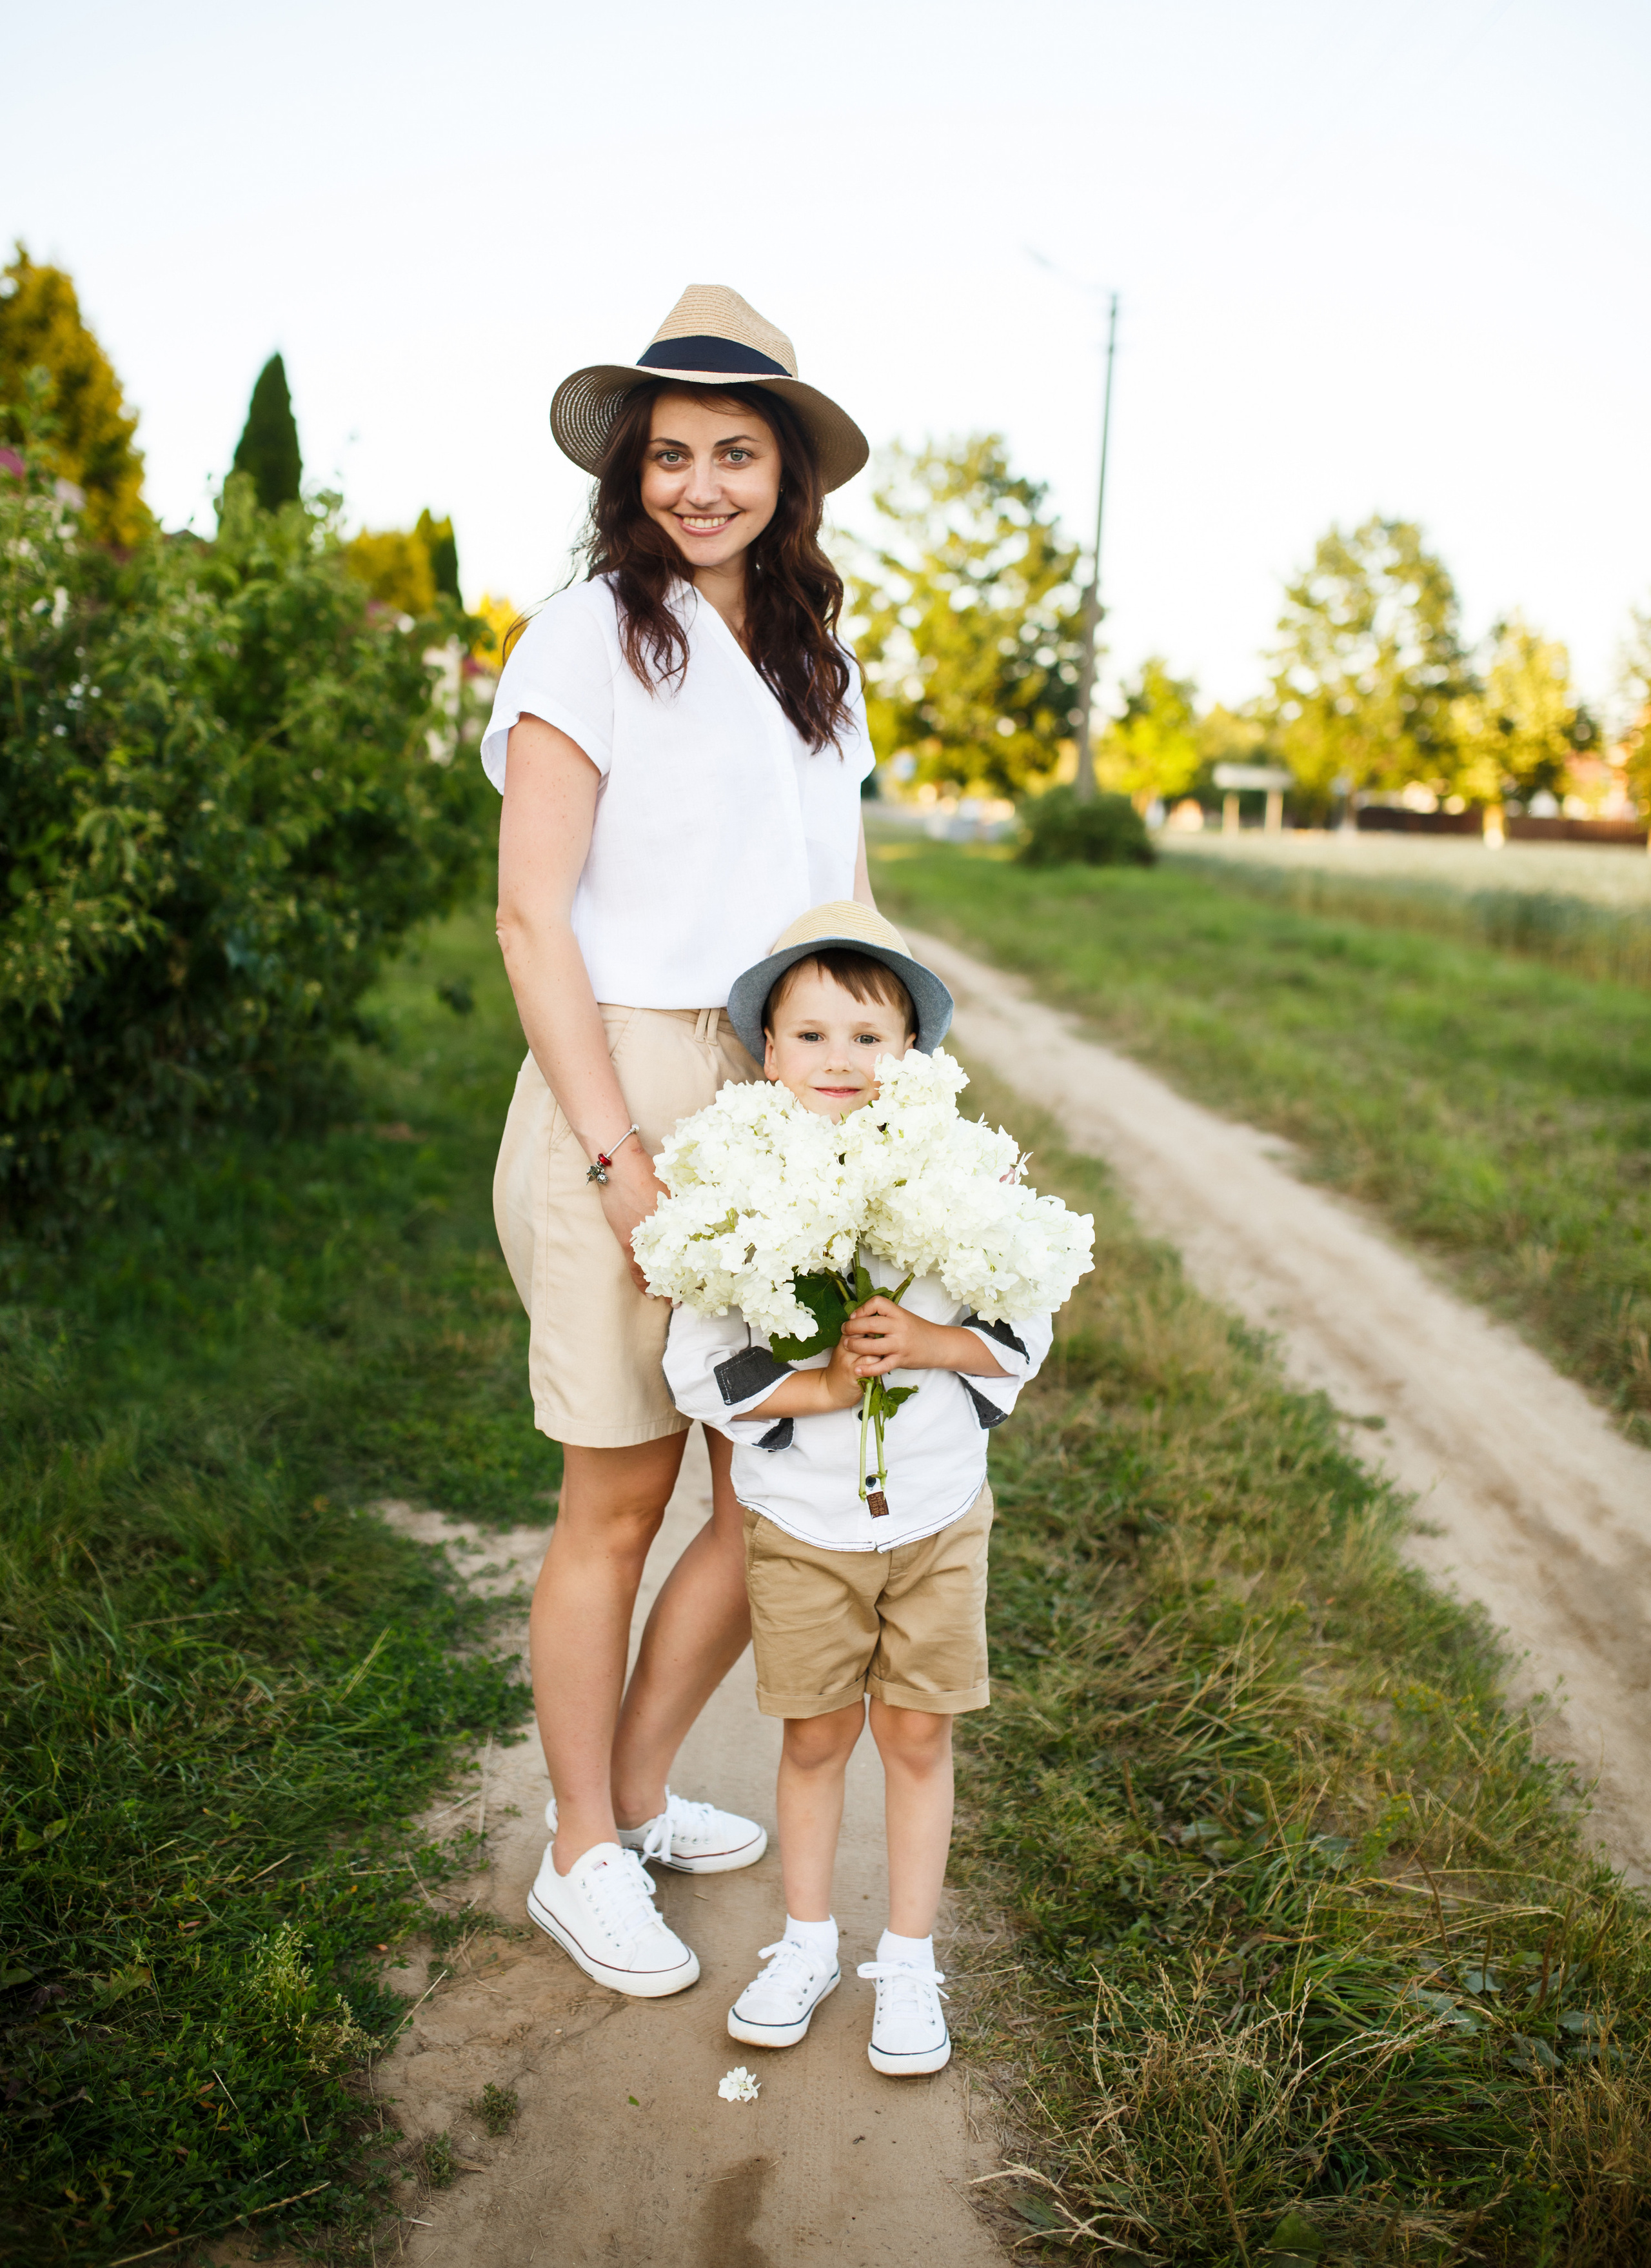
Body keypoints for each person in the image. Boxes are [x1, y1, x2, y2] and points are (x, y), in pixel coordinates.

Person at [485, 288, 876, 1996]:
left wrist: (874, 1102)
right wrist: (614, 1154)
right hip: (625, 1069)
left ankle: (633, 1795)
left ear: (787, 476)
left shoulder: (818, 665)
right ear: (627, 474)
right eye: (668, 455)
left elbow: (844, 908)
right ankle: (578, 1849)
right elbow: (530, 917)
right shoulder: (587, 636)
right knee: (620, 1490)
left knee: (765, 1479)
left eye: (734, 453)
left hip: (777, 1087)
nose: (700, 485)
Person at [663, 903, 1053, 2073]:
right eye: (812, 1035)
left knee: (921, 1735)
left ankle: (911, 1961)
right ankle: (807, 1943)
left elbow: (1025, 1330)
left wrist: (930, 1345)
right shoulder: (735, 1186)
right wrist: (829, 1387)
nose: (840, 1060)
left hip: (937, 1514)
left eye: (869, 1038)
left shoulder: (964, 1173)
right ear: (767, 1052)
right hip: (804, 1525)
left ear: (912, 1054)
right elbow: (701, 1368)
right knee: (818, 1736)